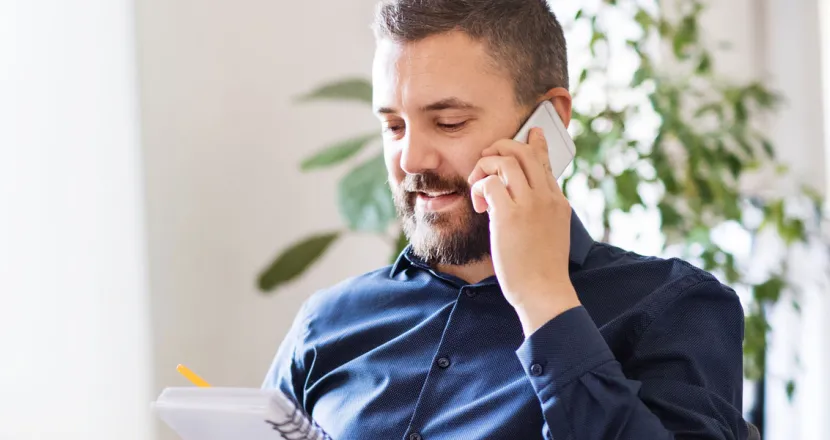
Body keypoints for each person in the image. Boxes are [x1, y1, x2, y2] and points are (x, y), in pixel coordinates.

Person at [263, 1, 749, 438]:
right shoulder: (327, 324)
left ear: (548, 122)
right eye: (393, 126)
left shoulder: (673, 308)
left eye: (449, 122)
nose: (410, 159)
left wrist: (543, 298)